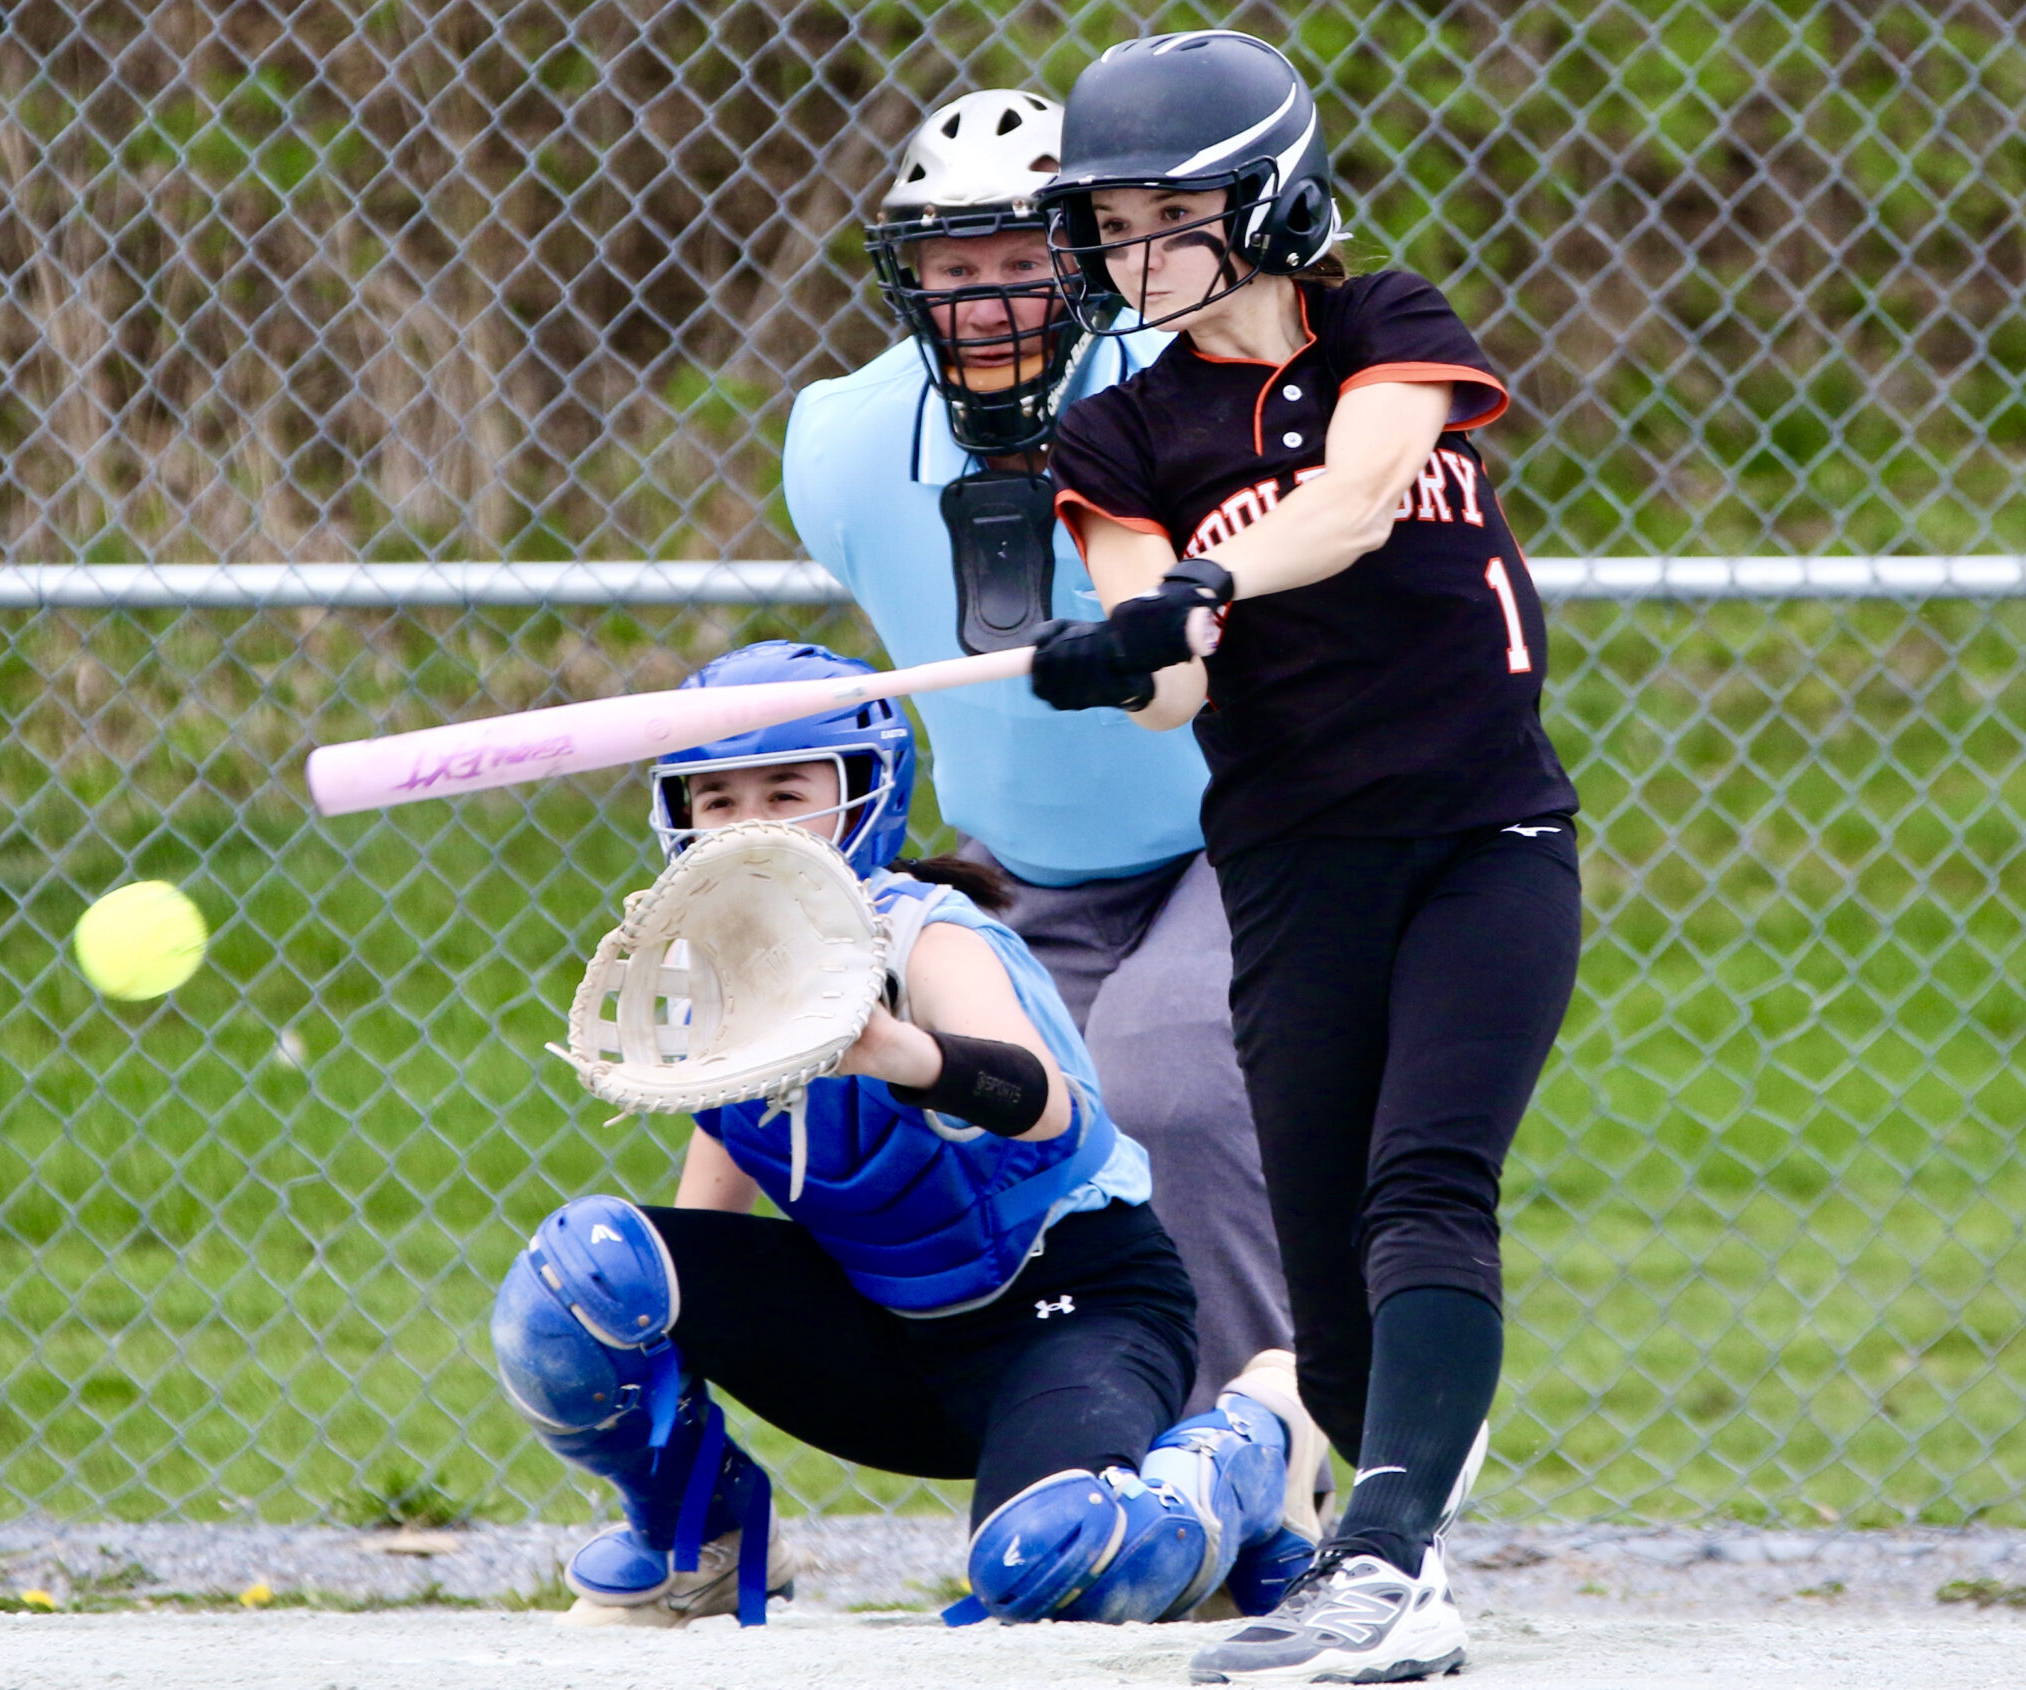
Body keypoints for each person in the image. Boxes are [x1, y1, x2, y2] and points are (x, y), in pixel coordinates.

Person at [1024, 31, 1585, 1685]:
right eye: (1111, 226)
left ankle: (1382, 1558)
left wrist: (1208, 580)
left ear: (1270, 202)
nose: (1135, 254)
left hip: (1484, 840)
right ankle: (1413, 1563)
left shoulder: (1386, 325)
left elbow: (1353, 500)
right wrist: (1127, 650)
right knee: (1327, 1278)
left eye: (1169, 218)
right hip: (1290, 869)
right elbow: (1175, 692)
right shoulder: (1117, 435)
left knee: (1427, 1186)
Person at [490, 640, 1327, 1629]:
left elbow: (1044, 1104)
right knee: (580, 1276)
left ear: (864, 797)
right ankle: (701, 1538)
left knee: (1059, 1566)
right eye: (717, 800)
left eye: (785, 793)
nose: (750, 826)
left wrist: (897, 1050)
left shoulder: (927, 932)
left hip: (1062, 1311)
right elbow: (718, 1182)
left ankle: (1257, 1437)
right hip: (881, 1332)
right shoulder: (702, 966)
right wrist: (654, 1322)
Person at [784, 88, 1299, 1426]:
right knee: (980, 1130)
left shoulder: (1185, 388)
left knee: (1167, 1086)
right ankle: (1079, 1442)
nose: (989, 300)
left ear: (1087, 257)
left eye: (1024, 260)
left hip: (1236, 827)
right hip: (1019, 865)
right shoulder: (839, 444)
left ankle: (1253, 1440)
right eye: (955, 268)